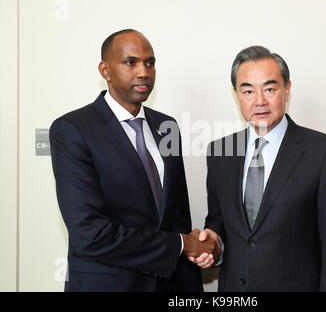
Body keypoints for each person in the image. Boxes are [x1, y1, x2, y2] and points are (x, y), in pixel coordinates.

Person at [50, 29, 220, 292]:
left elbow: (178, 219)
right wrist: (182, 244)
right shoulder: (73, 130)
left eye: (150, 63)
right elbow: (89, 233)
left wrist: (195, 248)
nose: (144, 72)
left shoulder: (167, 126)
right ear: (105, 70)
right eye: (131, 62)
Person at [190, 46, 326, 291]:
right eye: (248, 91)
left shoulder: (325, 153)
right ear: (236, 94)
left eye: (269, 89)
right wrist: (214, 242)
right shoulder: (220, 152)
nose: (260, 101)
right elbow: (219, 219)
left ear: (286, 90)